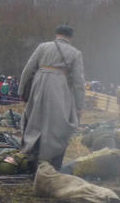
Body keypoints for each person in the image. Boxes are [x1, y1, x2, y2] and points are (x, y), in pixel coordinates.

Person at [19, 24, 85, 171]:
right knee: (57, 125)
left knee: (34, 122)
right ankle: (53, 162)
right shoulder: (75, 53)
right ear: (70, 38)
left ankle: (31, 160)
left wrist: (22, 91)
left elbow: (28, 69)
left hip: (39, 85)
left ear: (57, 34)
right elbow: (78, 82)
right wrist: (80, 105)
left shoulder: (43, 47)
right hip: (59, 88)